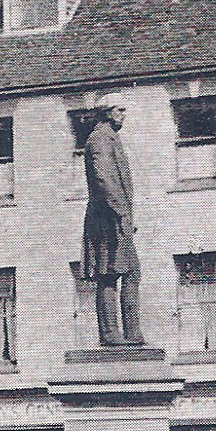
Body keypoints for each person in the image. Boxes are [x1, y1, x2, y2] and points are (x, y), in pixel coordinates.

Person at [81, 92, 144, 346]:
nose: (124, 115)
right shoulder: (99, 139)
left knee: (131, 271)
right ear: (107, 112)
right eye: (120, 110)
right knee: (110, 273)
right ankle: (110, 333)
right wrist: (121, 214)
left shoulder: (110, 138)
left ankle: (132, 333)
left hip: (116, 216)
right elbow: (104, 180)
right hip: (106, 217)